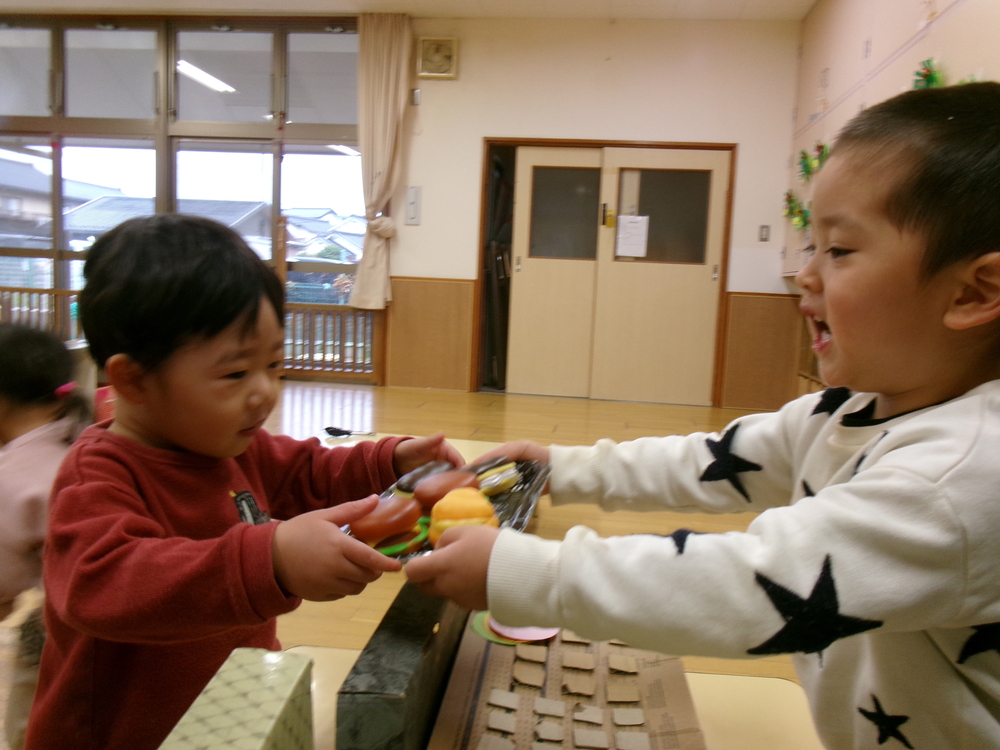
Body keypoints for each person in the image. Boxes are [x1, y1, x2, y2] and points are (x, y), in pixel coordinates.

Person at [407, 81, 1000, 749]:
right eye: (811, 246)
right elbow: (712, 461)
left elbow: (753, 584)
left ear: (974, 292)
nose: (805, 275)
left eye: (839, 251)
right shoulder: (850, 410)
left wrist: (529, 575)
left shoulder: (962, 478)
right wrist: (562, 469)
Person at [23, 214, 463, 750]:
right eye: (234, 373)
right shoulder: (98, 473)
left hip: (234, 709)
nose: (264, 392)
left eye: (274, 365)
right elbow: (101, 585)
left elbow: (311, 471)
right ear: (133, 379)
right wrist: (269, 560)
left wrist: (389, 461)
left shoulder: (235, 445)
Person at [0, 324, 91, 750]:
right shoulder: (88, 441)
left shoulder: (14, 477)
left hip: (65, 634)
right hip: (131, 631)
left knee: (31, 733)